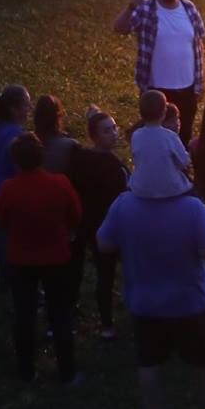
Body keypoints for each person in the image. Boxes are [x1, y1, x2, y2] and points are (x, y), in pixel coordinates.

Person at [98, 111, 205, 409]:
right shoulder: (191, 209)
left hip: (144, 301)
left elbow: (104, 243)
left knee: (149, 362)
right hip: (189, 300)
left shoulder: (124, 205)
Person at [0, 133, 83, 385]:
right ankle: (67, 372)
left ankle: (26, 371)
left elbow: (1, 221)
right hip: (56, 257)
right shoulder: (60, 184)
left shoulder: (9, 189)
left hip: (21, 260)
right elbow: (75, 215)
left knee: (24, 315)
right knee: (60, 315)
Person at [116, 0, 205, 142]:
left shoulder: (189, 8)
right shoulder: (146, 9)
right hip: (157, 91)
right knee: (157, 140)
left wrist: (200, 82)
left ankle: (180, 170)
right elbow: (120, 28)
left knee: (183, 137)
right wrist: (130, 7)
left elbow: (199, 45)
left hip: (188, 89)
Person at [66, 108, 132, 340]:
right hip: (108, 226)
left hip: (87, 224)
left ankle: (103, 323)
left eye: (114, 128)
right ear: (94, 135)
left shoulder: (79, 159)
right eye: (107, 130)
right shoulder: (115, 167)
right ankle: (110, 322)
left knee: (100, 274)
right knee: (111, 274)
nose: (114, 133)